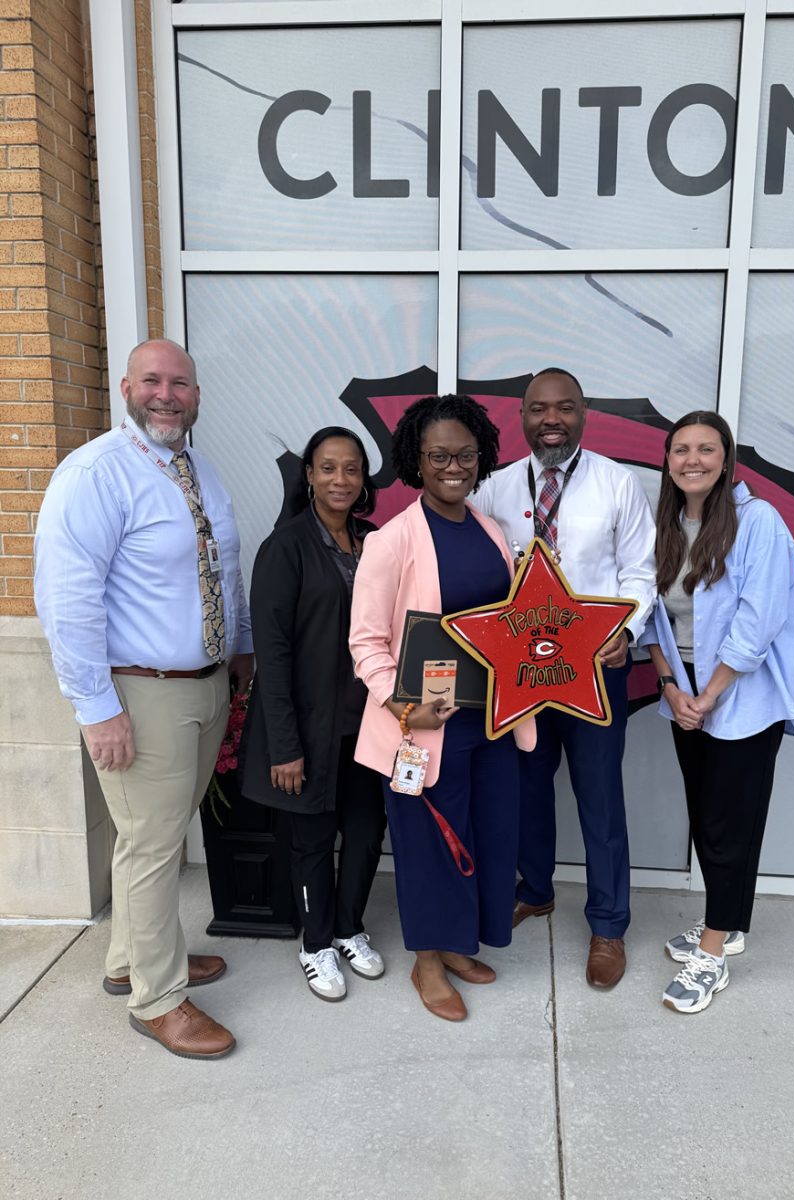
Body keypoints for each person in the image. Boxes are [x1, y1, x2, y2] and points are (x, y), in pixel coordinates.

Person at [33, 338, 253, 1060]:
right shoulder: (95, 473)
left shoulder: (194, 470)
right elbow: (67, 602)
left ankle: (133, 959)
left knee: (151, 838)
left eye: (180, 383)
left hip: (202, 686)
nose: (167, 394)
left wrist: (240, 649)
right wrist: (96, 708)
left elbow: (223, 570)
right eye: (152, 381)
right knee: (155, 846)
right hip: (139, 692)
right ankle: (158, 1000)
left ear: (196, 394)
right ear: (126, 387)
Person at [349, 395, 536, 1022]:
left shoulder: (492, 531)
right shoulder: (393, 540)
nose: (453, 466)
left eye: (464, 454)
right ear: (416, 462)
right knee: (430, 845)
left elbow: (505, 625)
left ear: (481, 457)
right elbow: (366, 642)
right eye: (438, 456)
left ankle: (457, 945)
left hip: (490, 723)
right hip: (424, 732)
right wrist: (406, 705)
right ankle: (427, 962)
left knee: (484, 836)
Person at [471, 367, 656, 988]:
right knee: (525, 787)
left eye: (565, 408)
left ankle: (608, 925)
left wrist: (625, 632)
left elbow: (640, 572)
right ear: (520, 417)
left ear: (585, 413)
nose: (552, 419)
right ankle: (536, 889)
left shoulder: (617, 484)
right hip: (523, 670)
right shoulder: (495, 489)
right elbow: (475, 569)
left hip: (594, 671)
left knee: (599, 798)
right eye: (538, 409)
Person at [641, 411, 794, 1013]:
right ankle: (727, 922)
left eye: (706, 449)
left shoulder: (759, 522)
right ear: (666, 459)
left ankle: (713, 952)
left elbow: (758, 621)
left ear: (726, 457)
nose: (692, 460)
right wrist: (671, 687)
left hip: (741, 699)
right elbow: (650, 613)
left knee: (729, 825)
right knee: (706, 818)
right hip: (684, 693)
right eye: (680, 449)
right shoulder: (667, 524)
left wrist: (710, 695)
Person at [239, 427, 387, 1002]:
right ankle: (316, 944)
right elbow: (271, 655)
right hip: (308, 728)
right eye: (328, 468)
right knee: (311, 840)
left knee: (367, 831)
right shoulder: (286, 547)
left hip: (366, 724)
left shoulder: (372, 541)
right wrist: (285, 746)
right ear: (309, 475)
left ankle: (350, 928)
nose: (340, 480)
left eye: (351, 469)